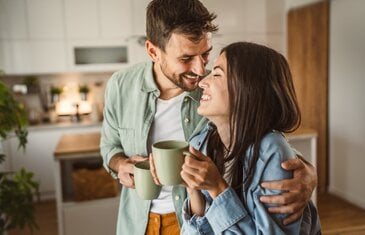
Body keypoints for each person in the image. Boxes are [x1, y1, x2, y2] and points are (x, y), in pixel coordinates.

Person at [100, 0, 317, 234]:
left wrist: (307, 173)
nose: (200, 71)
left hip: (192, 220)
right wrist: (119, 164)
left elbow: (256, 137)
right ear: (154, 51)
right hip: (138, 221)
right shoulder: (120, 86)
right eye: (185, 59)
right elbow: (109, 146)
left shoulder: (214, 95)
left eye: (205, 55)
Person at [178, 42, 321, 234]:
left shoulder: (272, 151)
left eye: (217, 74)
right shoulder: (203, 141)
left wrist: (218, 189)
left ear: (247, 88)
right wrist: (192, 189)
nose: (202, 82)